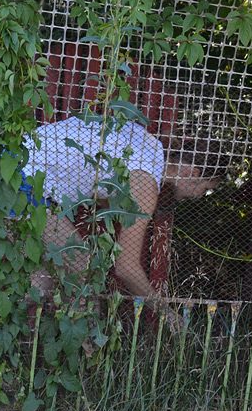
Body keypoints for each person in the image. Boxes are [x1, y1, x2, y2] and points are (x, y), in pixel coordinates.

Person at [21, 115, 224, 323]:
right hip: (22, 181)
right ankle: (92, 350)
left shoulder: (148, 147)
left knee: (41, 280)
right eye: (206, 189)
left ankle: (10, 335)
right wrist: (168, 315)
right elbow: (126, 268)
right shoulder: (145, 182)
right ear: (195, 172)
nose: (199, 196)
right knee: (85, 271)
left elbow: (95, 181)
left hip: (16, 160)